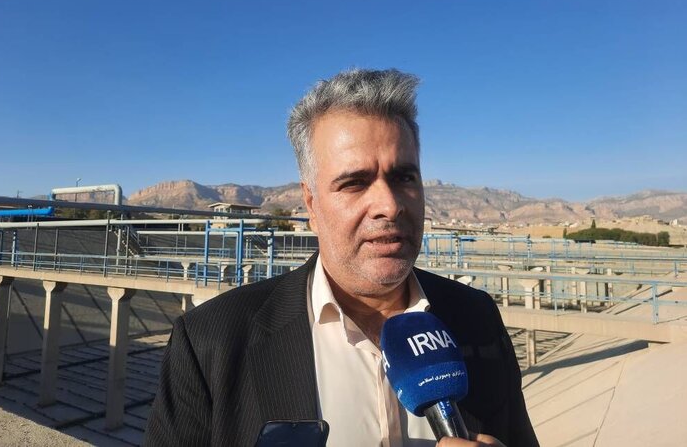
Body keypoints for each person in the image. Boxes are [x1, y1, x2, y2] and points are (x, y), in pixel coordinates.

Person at [144, 69, 538, 447]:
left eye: (404, 177)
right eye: (354, 183)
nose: (389, 205)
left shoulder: (477, 316)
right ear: (311, 204)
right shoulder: (210, 341)